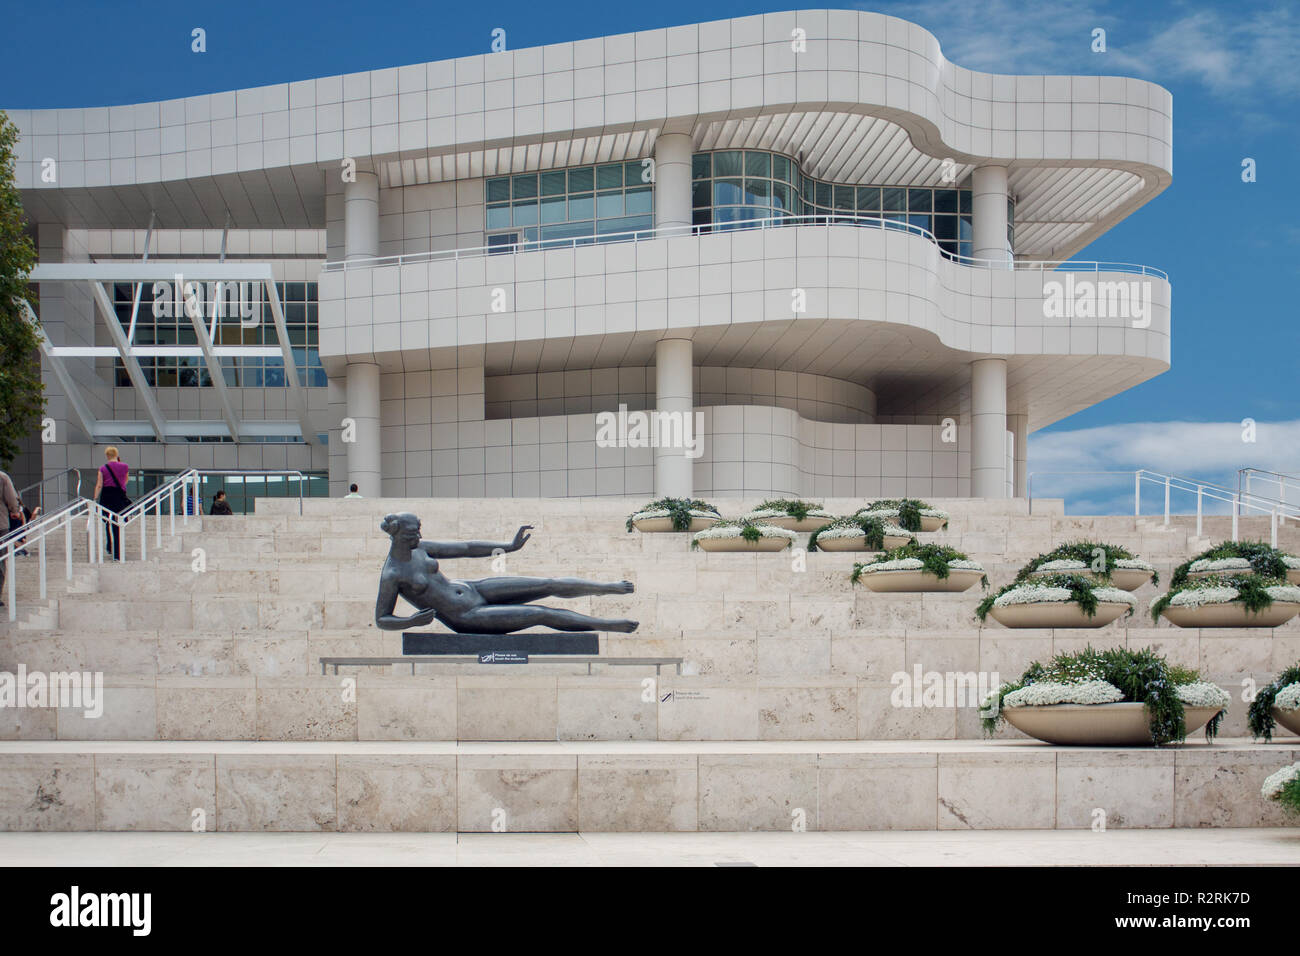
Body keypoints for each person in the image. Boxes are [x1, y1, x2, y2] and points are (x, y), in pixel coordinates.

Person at [374, 512, 638, 634]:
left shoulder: (421, 547)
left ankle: (607, 587)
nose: (418, 536)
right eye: (412, 533)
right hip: (466, 616)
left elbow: (467, 547)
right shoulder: (393, 574)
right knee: (541, 613)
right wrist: (411, 622)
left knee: (547, 584)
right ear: (397, 534)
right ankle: (607, 625)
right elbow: (382, 619)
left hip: (474, 589)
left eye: (418, 530)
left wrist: (508, 547)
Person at [92, 447, 130, 560]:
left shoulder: (103, 468)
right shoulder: (125, 466)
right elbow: (125, 480)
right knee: (117, 523)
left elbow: (99, 484)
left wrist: (94, 498)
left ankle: (110, 546)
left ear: (107, 455)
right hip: (119, 496)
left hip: (107, 496)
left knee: (108, 521)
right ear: (117, 454)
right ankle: (118, 554)